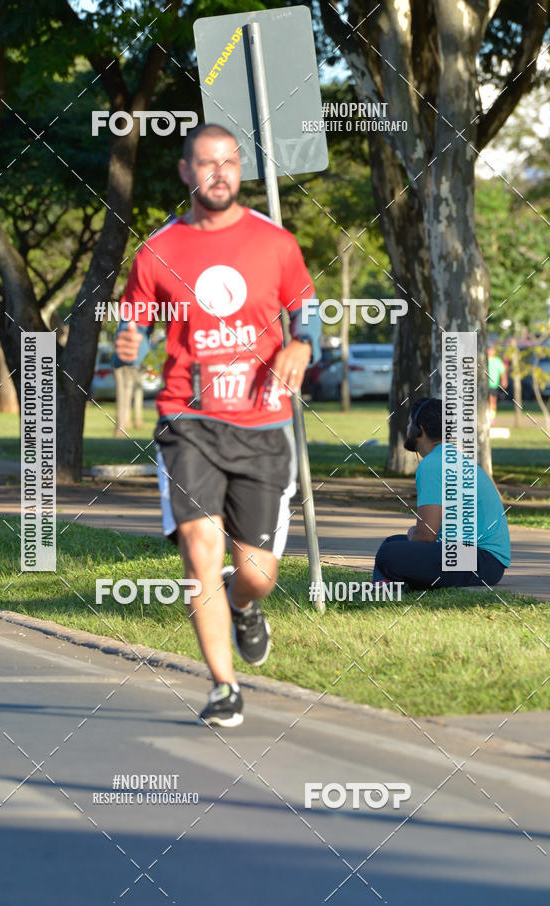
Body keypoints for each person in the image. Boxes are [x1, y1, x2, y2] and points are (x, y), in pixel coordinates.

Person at [113, 123, 321, 727]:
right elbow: (135, 320)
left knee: (257, 572)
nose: (220, 173)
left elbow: (305, 309)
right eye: (207, 163)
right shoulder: (158, 250)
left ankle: (244, 606)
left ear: (240, 170)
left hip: (261, 423)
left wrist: (302, 343)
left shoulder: (274, 242)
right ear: (186, 172)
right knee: (200, 548)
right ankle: (223, 686)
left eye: (229, 162)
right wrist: (129, 340)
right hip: (188, 420)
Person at [373, 397, 510, 590]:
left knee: (389, 553)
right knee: (392, 543)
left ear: (419, 430)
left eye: (410, 423)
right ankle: (387, 585)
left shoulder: (432, 465)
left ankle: (386, 586)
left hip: (480, 561)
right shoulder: (451, 457)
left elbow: (425, 536)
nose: (408, 427)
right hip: (486, 561)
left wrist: (412, 534)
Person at [487, 346, 507, 422]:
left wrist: (504, 380)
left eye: (492, 350)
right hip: (484, 385)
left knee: (492, 401)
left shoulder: (497, 361)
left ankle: (492, 418)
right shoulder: (483, 360)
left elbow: (502, 371)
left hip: (493, 384)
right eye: (489, 350)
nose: (490, 352)